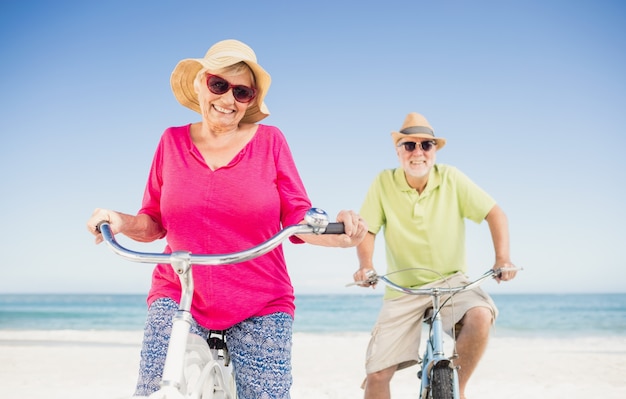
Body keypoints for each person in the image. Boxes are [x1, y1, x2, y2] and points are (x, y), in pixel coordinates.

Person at [87, 39, 367, 399]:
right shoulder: (171, 142)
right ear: (200, 84)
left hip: (260, 299)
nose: (227, 99)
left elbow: (298, 216)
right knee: (155, 389)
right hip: (181, 291)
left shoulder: (270, 142)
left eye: (242, 92)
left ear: (250, 100)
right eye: (219, 85)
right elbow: (154, 221)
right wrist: (119, 220)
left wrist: (339, 232)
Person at [352, 112, 517, 399]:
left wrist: (502, 258)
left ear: (435, 150)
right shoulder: (383, 182)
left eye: (426, 145)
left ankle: (457, 388)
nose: (418, 152)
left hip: (452, 281)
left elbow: (494, 213)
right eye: (409, 145)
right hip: (404, 289)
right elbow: (368, 230)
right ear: (398, 150)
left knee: (480, 314)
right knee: (377, 375)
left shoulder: (451, 178)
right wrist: (366, 266)